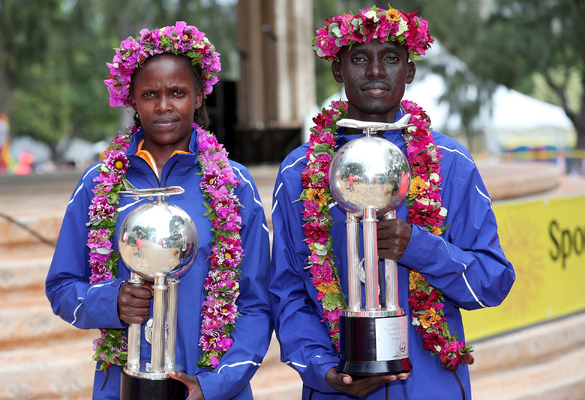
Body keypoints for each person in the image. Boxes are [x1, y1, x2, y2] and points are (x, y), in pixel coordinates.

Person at [270, 6, 515, 400]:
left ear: (410, 71)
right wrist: (325, 370)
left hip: (431, 387)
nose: (375, 71)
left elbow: (493, 281)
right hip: (338, 388)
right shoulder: (300, 171)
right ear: (338, 70)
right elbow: (287, 291)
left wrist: (419, 247)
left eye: (391, 58)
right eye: (359, 58)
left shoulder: (450, 163)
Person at [46, 21, 272, 400]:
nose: (164, 105)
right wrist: (111, 302)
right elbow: (62, 287)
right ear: (131, 99)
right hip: (122, 385)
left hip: (209, 387)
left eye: (178, 92)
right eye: (150, 93)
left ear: (199, 97)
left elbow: (256, 302)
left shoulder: (235, 184)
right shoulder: (98, 184)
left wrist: (214, 386)